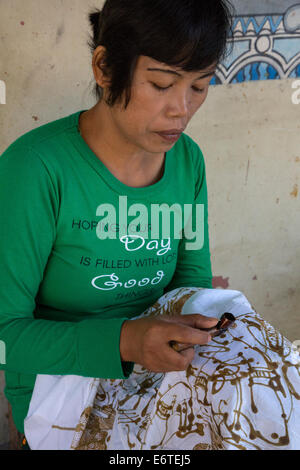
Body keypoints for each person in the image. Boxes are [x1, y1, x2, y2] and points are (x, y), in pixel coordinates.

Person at [0, 0, 234, 444]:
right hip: (59, 395)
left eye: (200, 87)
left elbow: (189, 283)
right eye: (162, 84)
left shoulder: (188, 161)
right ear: (105, 67)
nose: (181, 110)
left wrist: (202, 317)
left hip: (158, 378)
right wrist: (124, 341)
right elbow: (4, 334)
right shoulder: (34, 169)